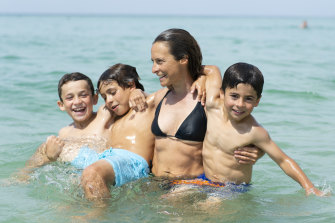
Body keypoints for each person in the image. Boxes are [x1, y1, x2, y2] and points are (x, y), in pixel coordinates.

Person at [149, 29, 262, 179]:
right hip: (155, 181)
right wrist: (134, 93)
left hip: (190, 186)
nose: (153, 69)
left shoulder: (208, 98)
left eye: (160, 61)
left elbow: (246, 129)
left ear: (183, 59)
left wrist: (259, 151)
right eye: (153, 62)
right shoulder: (160, 97)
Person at [201, 62, 323, 196]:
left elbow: (283, 160)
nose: (240, 104)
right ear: (222, 93)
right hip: (205, 180)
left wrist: (309, 187)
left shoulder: (254, 131)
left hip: (232, 188)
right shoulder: (212, 106)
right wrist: (199, 79)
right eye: (234, 96)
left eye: (248, 99)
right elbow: (210, 70)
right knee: (176, 196)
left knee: (207, 207)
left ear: (257, 101)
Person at [24, 72, 112, 172]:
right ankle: (23, 176)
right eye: (70, 97)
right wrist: (50, 157)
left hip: (101, 172)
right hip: (77, 177)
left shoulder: (104, 115)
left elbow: (122, 101)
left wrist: (134, 95)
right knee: (45, 147)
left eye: (83, 95)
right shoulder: (64, 133)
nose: (77, 102)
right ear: (61, 105)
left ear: (94, 98)